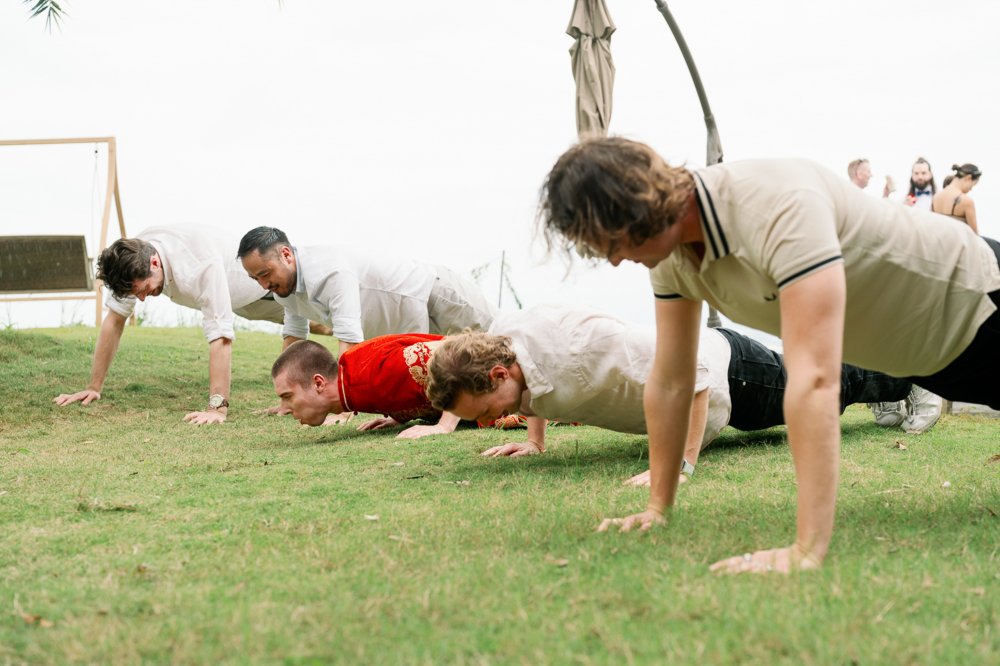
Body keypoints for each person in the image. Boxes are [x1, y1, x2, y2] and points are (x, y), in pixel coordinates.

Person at [537, 136, 1000, 574]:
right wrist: (658, 507)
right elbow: (673, 380)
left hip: (981, 301)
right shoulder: (671, 260)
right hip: (932, 361)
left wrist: (806, 550)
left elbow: (815, 379)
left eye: (611, 242)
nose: (615, 260)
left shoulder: (777, 204)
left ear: (639, 205)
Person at [425, 304, 929, 480]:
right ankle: (891, 386)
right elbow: (534, 388)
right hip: (716, 379)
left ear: (496, 375)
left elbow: (692, 370)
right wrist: (535, 442)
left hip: (731, 374)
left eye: (486, 411)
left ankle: (917, 376)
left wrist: (680, 466)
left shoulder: (582, 345)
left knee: (827, 389)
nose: (490, 422)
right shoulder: (507, 343)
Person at [53, 226, 330, 425]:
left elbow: (220, 338)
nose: (141, 299)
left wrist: (217, 409)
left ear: (154, 262)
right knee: (311, 324)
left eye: (144, 289)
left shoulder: (197, 267)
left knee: (323, 324)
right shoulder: (127, 262)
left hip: (256, 287)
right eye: (135, 294)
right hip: (230, 298)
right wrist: (93, 387)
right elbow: (114, 321)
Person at [270, 337, 525, 437]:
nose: (284, 409)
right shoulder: (353, 381)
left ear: (318, 383)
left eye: (287, 397)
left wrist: (443, 426)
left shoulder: (373, 373)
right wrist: (400, 415)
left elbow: (454, 359)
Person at [932, 163, 982, 233]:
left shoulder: (936, 197)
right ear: (969, 178)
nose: (971, 189)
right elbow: (974, 235)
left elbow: (931, 226)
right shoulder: (966, 201)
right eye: (973, 185)